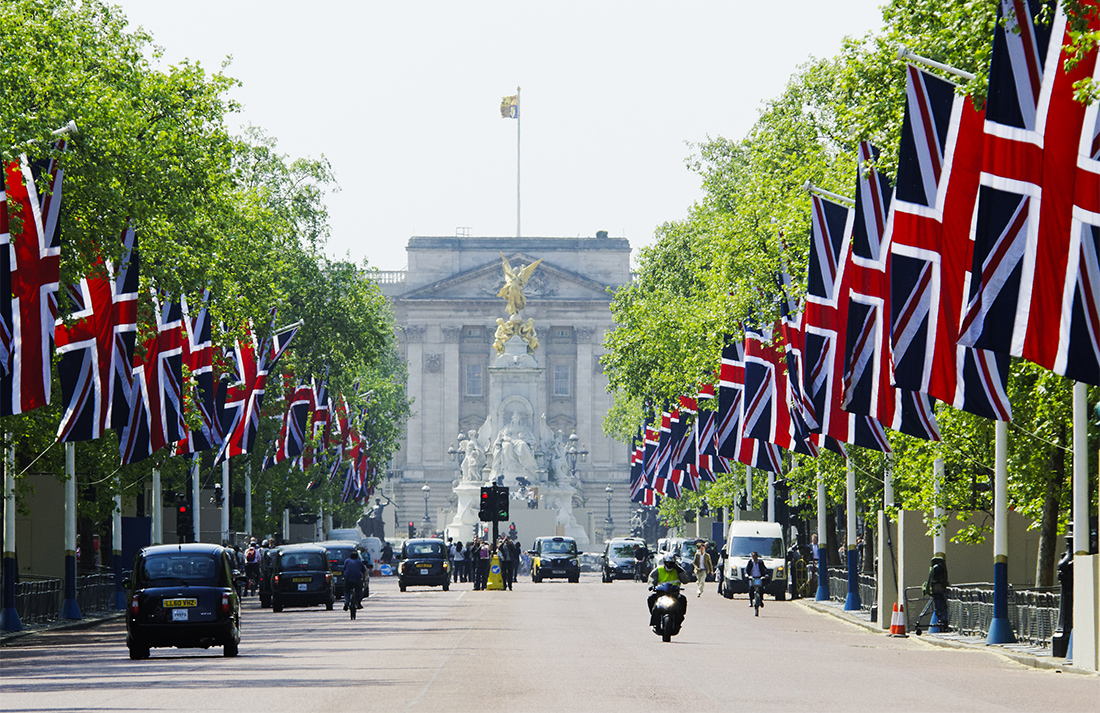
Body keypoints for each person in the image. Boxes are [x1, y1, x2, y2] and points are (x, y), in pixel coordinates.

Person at [647, 553, 691, 627]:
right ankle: (654, 617)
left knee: (682, 599)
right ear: (664, 562)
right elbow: (651, 579)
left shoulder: (678, 570)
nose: (669, 565)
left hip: (674, 594)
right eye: (667, 563)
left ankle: (680, 618)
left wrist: (679, 570)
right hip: (661, 593)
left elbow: (685, 580)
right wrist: (651, 586)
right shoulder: (658, 570)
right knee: (650, 598)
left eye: (671, 563)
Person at [918, 555, 950, 630]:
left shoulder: (934, 569)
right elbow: (944, 580)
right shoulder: (942, 569)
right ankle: (943, 621)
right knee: (943, 607)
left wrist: (927, 590)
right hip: (941, 590)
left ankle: (941, 620)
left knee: (939, 607)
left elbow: (930, 581)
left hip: (935, 591)